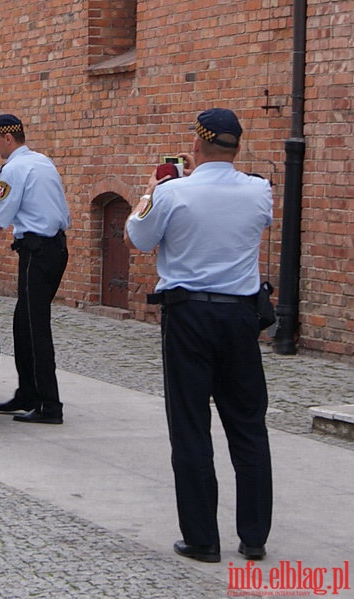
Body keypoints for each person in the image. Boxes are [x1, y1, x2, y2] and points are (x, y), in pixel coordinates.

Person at [124, 108, 273, 563]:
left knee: (190, 427)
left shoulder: (172, 192)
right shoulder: (259, 190)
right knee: (248, 425)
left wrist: (151, 192)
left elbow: (138, 238)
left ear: (197, 144)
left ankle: (203, 539)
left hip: (188, 316)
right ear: (237, 148)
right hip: (242, 317)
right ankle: (253, 537)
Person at [0, 114, 71, 424]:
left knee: (35, 327)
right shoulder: (40, 161)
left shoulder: (13, 168)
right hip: (53, 248)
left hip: (37, 251)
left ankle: (49, 404)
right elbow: (29, 205)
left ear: (8, 138)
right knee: (23, 322)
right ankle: (28, 393)